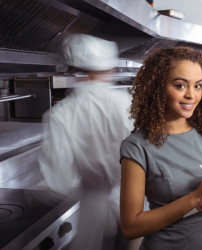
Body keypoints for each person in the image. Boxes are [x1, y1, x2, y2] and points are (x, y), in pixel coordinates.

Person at [119, 47, 202, 250]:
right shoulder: (137, 147)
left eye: (198, 86)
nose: (191, 95)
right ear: (158, 88)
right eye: (180, 85)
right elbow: (130, 227)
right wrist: (194, 198)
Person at [35, 33, 132, 250]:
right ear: (110, 68)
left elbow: (58, 183)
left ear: (72, 70)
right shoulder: (128, 104)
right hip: (137, 206)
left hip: (94, 211)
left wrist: (33, 195)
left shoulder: (60, 114)